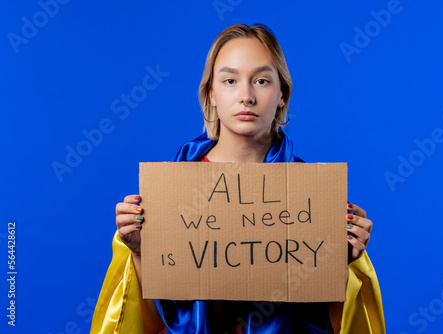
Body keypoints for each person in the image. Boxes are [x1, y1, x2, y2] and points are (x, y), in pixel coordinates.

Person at [91, 23, 385, 334]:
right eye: (230, 80)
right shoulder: (169, 189)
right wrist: (139, 253)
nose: (246, 96)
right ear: (211, 94)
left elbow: (327, 316)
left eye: (261, 80)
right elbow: (146, 319)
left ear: (282, 94)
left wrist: (346, 263)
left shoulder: (312, 196)